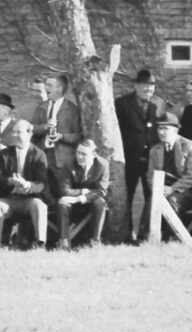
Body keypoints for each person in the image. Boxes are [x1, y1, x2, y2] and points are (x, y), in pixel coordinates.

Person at [115, 69, 166, 241]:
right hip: (129, 158)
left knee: (151, 196)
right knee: (126, 196)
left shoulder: (159, 104)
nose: (148, 89)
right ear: (136, 86)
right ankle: (127, 233)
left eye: (151, 86)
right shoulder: (122, 104)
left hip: (151, 160)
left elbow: (162, 128)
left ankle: (147, 233)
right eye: (145, 86)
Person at [0, 120, 50, 249]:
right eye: (13, 131)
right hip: (8, 199)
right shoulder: (3, 154)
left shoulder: (39, 154)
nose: (14, 135)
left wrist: (26, 184)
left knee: (40, 206)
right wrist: (11, 181)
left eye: (18, 132)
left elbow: (41, 183)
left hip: (29, 199)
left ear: (29, 134)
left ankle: (40, 244)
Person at [56, 139, 110, 249]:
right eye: (78, 152)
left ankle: (95, 241)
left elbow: (101, 191)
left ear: (94, 154)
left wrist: (78, 198)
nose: (79, 157)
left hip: (88, 201)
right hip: (70, 201)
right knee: (63, 204)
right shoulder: (68, 164)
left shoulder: (102, 165)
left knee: (100, 203)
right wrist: (83, 191)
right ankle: (64, 242)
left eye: (84, 154)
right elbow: (64, 190)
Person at [146, 113, 192, 227]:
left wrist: (173, 189)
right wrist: (158, 189)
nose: (161, 132)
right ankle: (146, 238)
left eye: (165, 129)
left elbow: (190, 176)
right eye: (159, 128)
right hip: (162, 189)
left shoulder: (189, 146)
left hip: (185, 190)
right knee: (151, 202)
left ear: (176, 130)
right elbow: (150, 175)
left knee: (172, 202)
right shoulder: (154, 150)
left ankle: (171, 237)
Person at [32, 74, 81, 170]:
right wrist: (44, 127)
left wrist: (62, 136)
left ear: (59, 88)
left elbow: (78, 136)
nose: (46, 87)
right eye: (46, 84)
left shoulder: (72, 109)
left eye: (49, 85)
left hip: (62, 162)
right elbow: (33, 128)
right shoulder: (41, 107)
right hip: (42, 157)